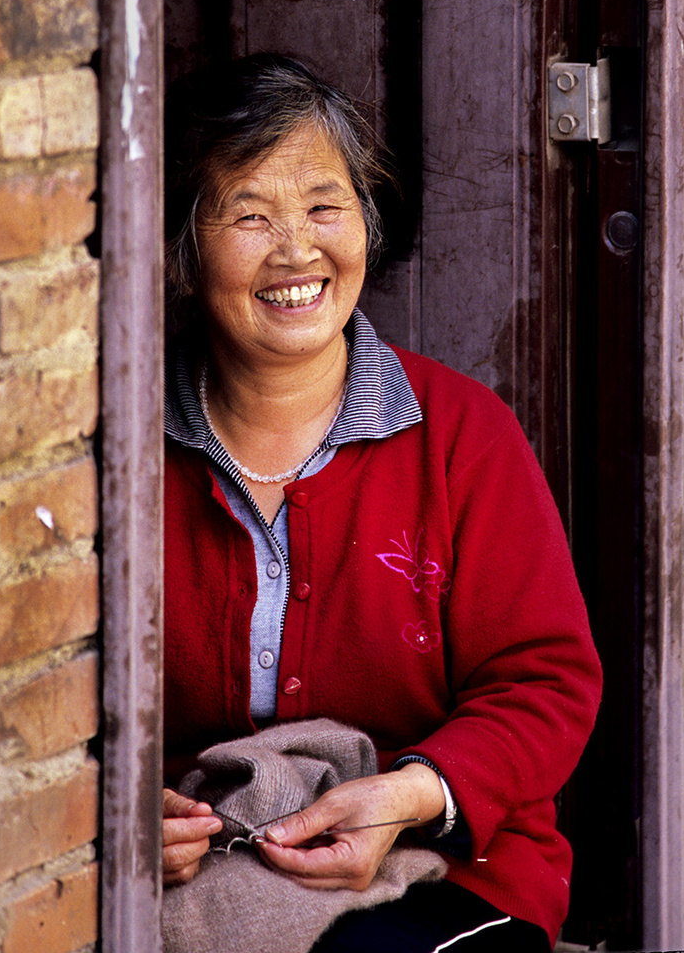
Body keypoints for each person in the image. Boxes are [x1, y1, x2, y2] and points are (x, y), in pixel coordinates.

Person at [160, 53, 602, 952]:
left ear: (365, 222)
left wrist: (408, 797)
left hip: (443, 863)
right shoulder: (112, 449)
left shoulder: (460, 435)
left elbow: (547, 681)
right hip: (186, 867)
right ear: (182, 248)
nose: (296, 250)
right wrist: (111, 812)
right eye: (249, 214)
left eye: (325, 207)